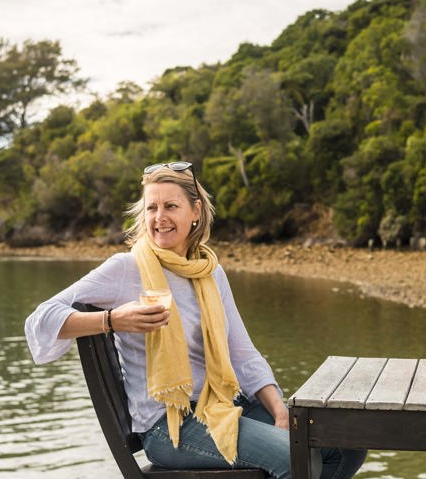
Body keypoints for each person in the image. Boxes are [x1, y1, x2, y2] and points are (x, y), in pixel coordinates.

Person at [25, 161, 366, 479]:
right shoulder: (125, 269)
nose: (160, 217)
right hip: (168, 425)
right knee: (296, 458)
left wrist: (280, 410)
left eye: (170, 206)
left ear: (195, 211)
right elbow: (42, 319)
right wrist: (113, 320)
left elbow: (243, 355)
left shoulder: (209, 272)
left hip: (223, 404)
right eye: (152, 208)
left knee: (345, 444)